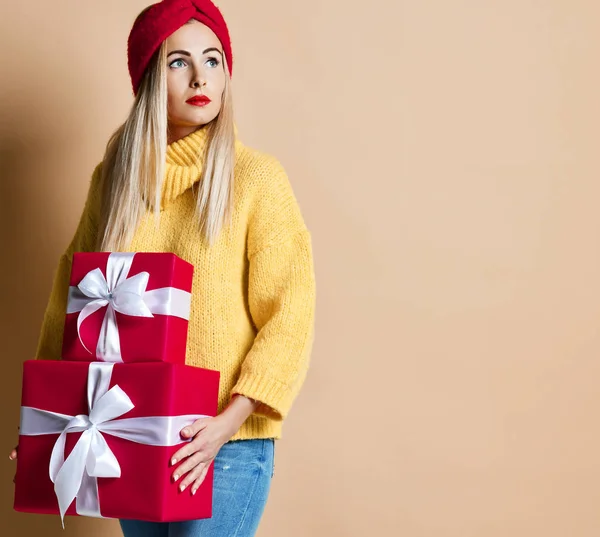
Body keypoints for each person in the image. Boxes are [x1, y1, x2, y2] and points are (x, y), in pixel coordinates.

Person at [9, 1, 316, 536]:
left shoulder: (256, 180)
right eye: (179, 62)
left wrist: (228, 423)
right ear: (149, 78)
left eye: (213, 59)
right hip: (139, 430)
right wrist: (47, 424)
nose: (201, 77)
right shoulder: (115, 181)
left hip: (225, 442)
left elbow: (290, 314)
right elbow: (71, 300)